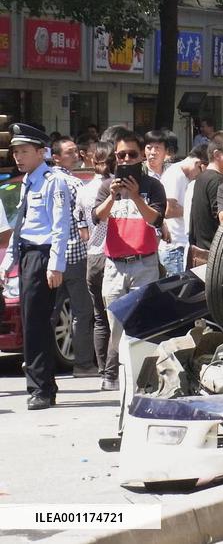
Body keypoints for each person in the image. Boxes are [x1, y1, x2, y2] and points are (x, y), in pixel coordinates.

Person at [0, 124, 72, 409]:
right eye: (16, 152)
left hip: (43, 257)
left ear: (41, 152)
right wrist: (8, 264)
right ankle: (42, 385)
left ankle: (41, 388)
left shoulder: (54, 181)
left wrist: (55, 265)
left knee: (37, 324)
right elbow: (20, 228)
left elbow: (60, 226)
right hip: (28, 255)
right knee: (32, 323)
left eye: (24, 151)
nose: (18, 157)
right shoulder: (27, 181)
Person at [92, 131, 166, 392]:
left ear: (141, 155)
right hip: (114, 266)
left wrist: (135, 196)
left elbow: (156, 220)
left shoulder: (153, 186)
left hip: (144, 264)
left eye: (131, 154)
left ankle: (143, 380)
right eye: (120, 155)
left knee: (144, 325)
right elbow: (96, 217)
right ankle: (118, 376)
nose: (125, 159)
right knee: (116, 326)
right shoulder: (106, 186)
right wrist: (113, 196)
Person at [50, 137, 98, 377]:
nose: (76, 155)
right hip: (75, 254)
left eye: (75, 151)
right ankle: (83, 364)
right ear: (55, 156)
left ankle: (40, 360)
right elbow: (86, 218)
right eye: (69, 152)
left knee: (52, 311)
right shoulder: (72, 183)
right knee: (82, 311)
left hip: (52, 257)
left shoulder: (44, 181)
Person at [78, 141, 114, 381]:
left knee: (100, 317)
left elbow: (82, 231)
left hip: (92, 257)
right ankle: (115, 369)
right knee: (117, 318)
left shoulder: (83, 190)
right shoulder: (115, 188)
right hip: (113, 256)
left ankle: (103, 369)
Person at [158, 144, 207, 276]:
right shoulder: (176, 175)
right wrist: (195, 211)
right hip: (175, 247)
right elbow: (168, 210)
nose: (198, 176)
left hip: (180, 245)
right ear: (198, 163)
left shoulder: (181, 175)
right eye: (201, 171)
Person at [188, 132, 223, 253]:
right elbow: (221, 218)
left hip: (199, 249)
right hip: (212, 253)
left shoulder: (202, 177)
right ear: (217, 155)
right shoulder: (217, 180)